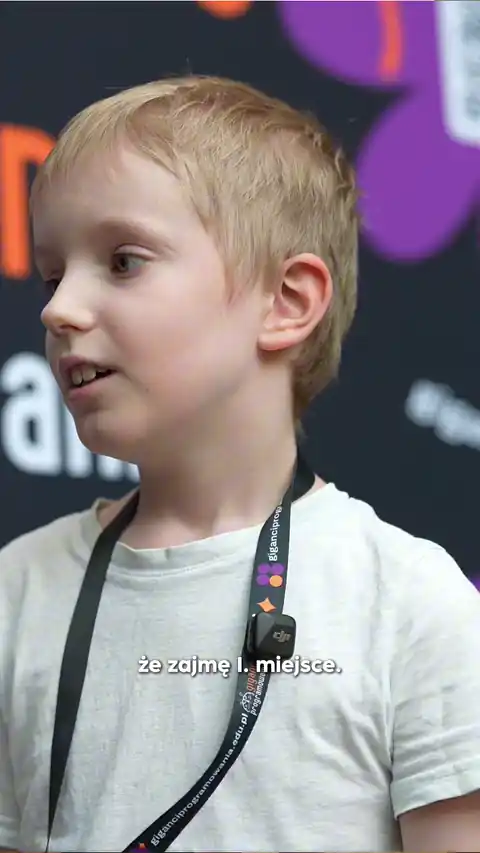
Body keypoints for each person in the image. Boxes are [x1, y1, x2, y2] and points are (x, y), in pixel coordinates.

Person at [0, 75, 479, 853]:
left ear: (287, 302)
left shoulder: (410, 602)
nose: (58, 309)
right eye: (53, 276)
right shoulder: (17, 590)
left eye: (122, 261)